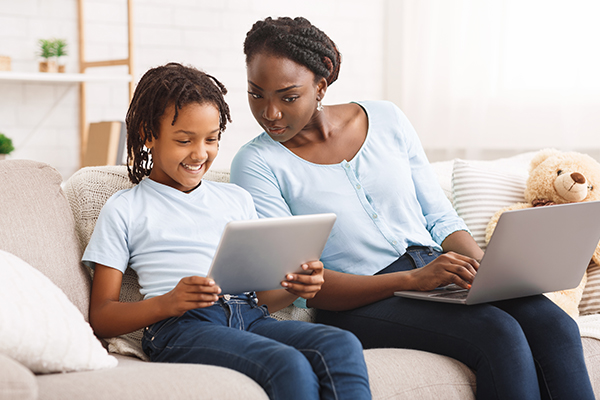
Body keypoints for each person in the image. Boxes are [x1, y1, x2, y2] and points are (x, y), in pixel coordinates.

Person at [230, 16, 595, 400]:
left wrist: (487, 271)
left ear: (320, 86)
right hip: (361, 301)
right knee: (498, 334)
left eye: (288, 97)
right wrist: (410, 280)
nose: (270, 112)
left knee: (553, 323)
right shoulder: (256, 163)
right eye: (256, 94)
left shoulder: (386, 118)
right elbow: (304, 283)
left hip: (435, 272)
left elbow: (439, 217)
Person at [83, 62, 371, 400]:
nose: (200, 153)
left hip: (249, 316)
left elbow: (260, 297)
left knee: (340, 343)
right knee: (286, 364)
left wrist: (294, 287)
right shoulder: (125, 207)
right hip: (182, 328)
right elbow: (101, 315)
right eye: (184, 140)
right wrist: (169, 302)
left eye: (211, 139)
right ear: (149, 134)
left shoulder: (235, 198)